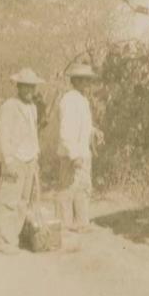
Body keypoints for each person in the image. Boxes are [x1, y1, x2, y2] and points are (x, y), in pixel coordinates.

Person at [0, 68, 44, 254]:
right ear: (18, 87)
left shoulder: (33, 108)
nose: (30, 91)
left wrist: (36, 156)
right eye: (26, 87)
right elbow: (2, 136)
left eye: (33, 87)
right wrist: (8, 160)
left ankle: (13, 236)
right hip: (15, 159)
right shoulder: (9, 106)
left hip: (29, 159)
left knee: (23, 201)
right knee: (9, 200)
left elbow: (34, 134)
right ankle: (3, 241)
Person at [55, 63, 102, 233]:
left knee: (83, 188)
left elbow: (83, 126)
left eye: (88, 81)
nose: (87, 84)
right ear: (76, 81)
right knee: (67, 189)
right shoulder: (69, 100)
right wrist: (74, 155)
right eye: (84, 80)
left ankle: (81, 223)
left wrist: (94, 131)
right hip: (72, 154)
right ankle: (63, 226)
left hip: (83, 153)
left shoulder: (82, 100)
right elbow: (66, 131)